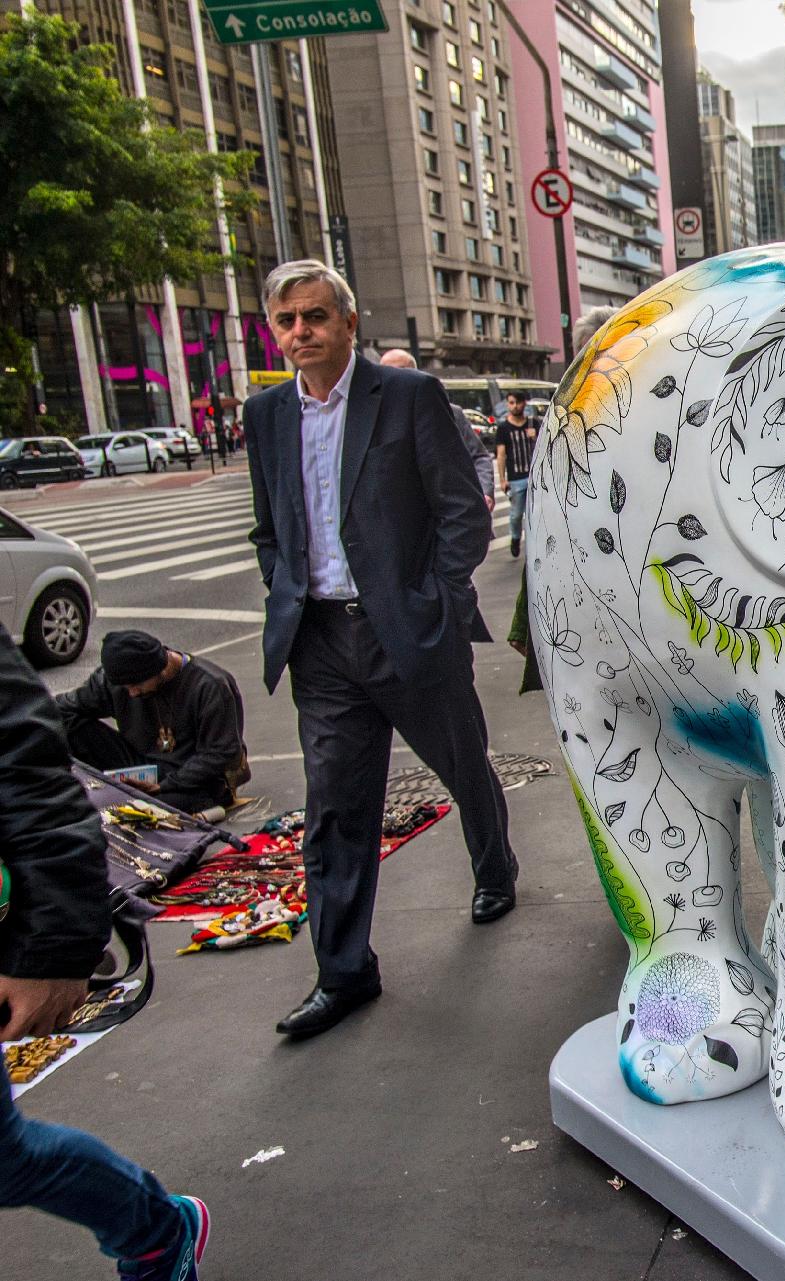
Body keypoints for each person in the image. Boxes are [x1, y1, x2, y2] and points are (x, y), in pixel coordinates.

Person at [244, 260, 518, 1040]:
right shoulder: (265, 415)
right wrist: (288, 587)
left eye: (315, 317)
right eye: (288, 320)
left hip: (407, 627)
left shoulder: (406, 396)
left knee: (462, 761)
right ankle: (343, 972)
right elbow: (270, 529)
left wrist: (434, 596)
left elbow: (461, 509)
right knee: (335, 808)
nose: (302, 332)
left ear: (348, 323)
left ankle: (494, 863)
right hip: (321, 642)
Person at [0, 623, 212, 1280]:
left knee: (6, 1162)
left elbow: (28, 762)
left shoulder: (205, 689)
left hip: (182, 785)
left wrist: (55, 949)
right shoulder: (112, 689)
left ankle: (153, 1228)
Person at [55, 630, 249, 817]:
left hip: (192, 777)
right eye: (126, 687)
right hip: (142, 764)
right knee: (62, 722)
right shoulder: (117, 681)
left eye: (137, 685)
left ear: (160, 668)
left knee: (141, 808)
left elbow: (220, 753)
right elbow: (62, 707)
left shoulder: (210, 686)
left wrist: (166, 785)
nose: (132, 693)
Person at [378, 347, 495, 513]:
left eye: (402, 372)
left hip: (455, 515)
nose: (396, 379)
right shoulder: (377, 418)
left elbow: (479, 457)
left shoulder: (450, 412)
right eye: (387, 373)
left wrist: (485, 493)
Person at [495, 392, 539, 558]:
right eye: (511, 403)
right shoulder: (503, 428)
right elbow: (501, 454)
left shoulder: (532, 423)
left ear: (524, 404)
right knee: (516, 514)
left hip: (533, 476)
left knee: (533, 514)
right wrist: (502, 479)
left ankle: (533, 544)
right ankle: (515, 538)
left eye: (518, 402)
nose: (515, 406)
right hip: (516, 477)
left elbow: (543, 447)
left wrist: (534, 438)